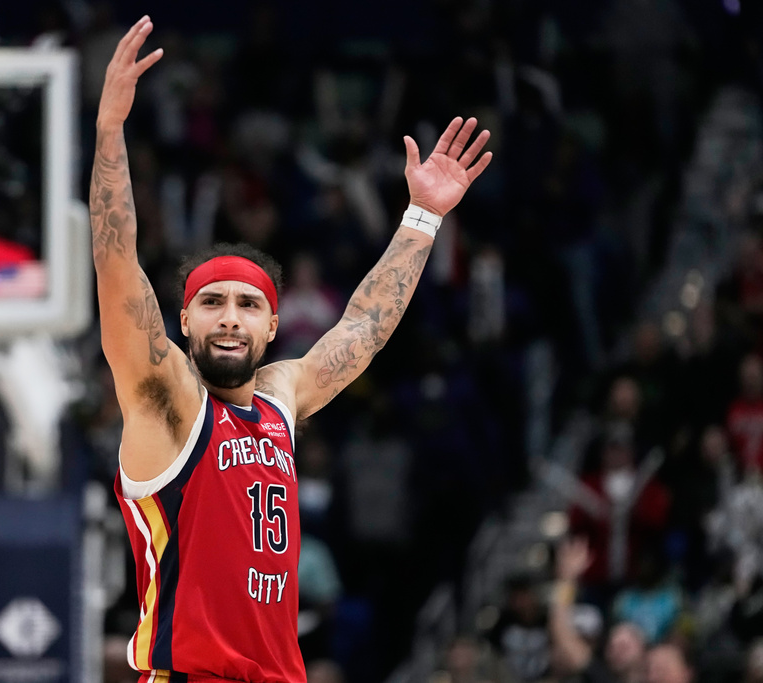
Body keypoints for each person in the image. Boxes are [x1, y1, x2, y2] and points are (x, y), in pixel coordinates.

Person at [91, 15, 492, 683]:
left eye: (248, 305)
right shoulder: (167, 402)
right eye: (212, 303)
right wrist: (109, 133)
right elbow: (116, 266)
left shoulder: (281, 397)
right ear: (183, 320)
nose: (230, 318)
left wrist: (422, 217)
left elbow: (362, 327)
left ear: (273, 327)